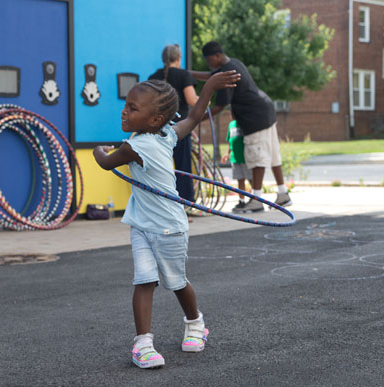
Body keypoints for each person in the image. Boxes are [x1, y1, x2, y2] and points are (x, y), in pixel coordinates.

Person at [93, 70, 241, 369]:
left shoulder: (134, 147)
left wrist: (99, 149)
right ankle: (143, 343)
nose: (125, 110)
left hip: (169, 227)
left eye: (133, 108)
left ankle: (195, 323)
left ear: (155, 119)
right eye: (126, 104)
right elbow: (194, 116)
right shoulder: (165, 135)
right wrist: (209, 85)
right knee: (144, 280)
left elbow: (106, 163)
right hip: (142, 226)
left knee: (175, 281)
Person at [191, 41, 292, 212]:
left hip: (254, 118)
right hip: (265, 110)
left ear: (217, 56)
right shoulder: (233, 63)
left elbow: (218, 107)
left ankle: (256, 200)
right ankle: (283, 194)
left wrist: (194, 119)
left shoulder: (226, 73)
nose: (209, 64)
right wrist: (189, 74)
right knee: (273, 155)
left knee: (256, 158)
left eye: (209, 60)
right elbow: (211, 75)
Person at [148, 44, 198, 208]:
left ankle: (159, 205)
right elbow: (192, 100)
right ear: (179, 58)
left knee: (159, 166)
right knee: (183, 167)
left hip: (157, 128)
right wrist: (205, 99)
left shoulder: (154, 76)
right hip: (179, 129)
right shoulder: (184, 75)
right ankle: (184, 206)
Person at [222, 116, 253, 213]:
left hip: (246, 158)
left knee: (251, 179)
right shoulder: (231, 125)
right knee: (240, 180)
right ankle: (241, 201)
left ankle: (255, 199)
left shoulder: (246, 122)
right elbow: (230, 140)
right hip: (235, 158)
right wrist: (227, 153)